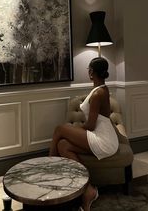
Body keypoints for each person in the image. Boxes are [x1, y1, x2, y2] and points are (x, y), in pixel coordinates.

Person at [49, 57, 119, 211]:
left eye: (89, 69)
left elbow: (91, 125)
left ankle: (50, 170)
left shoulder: (97, 94)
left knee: (59, 130)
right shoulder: (102, 88)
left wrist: (74, 130)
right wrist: (74, 131)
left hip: (103, 139)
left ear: (91, 72)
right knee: (63, 146)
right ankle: (88, 191)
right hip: (103, 135)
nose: (88, 71)